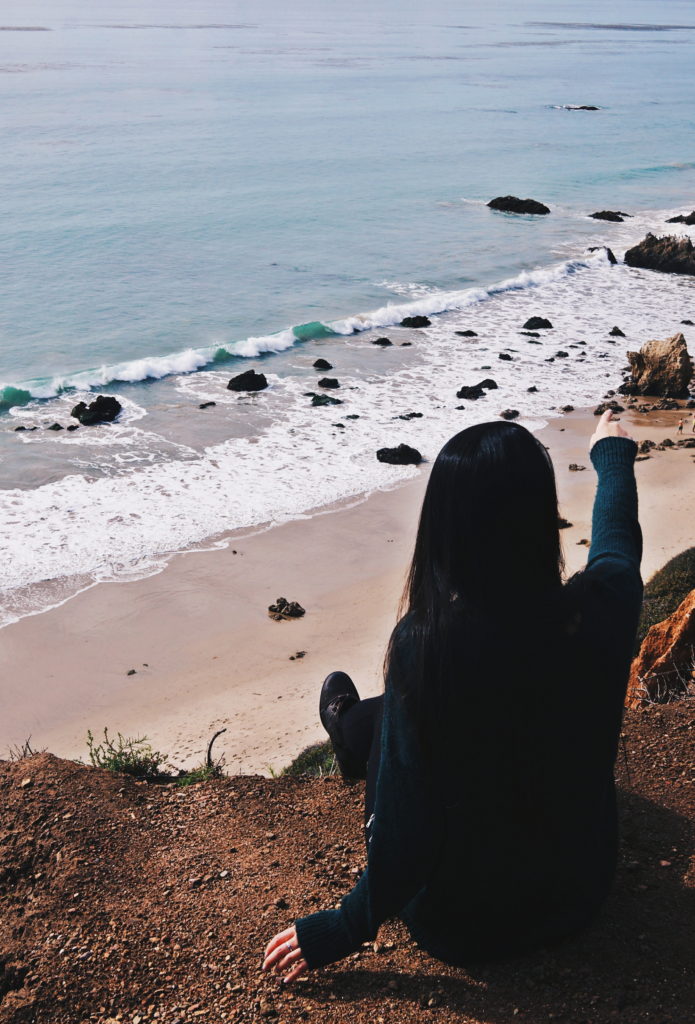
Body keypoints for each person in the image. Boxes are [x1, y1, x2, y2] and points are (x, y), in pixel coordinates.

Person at [263, 410, 642, 983]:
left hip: (462, 924)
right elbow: (617, 549)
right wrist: (612, 458)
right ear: (542, 517)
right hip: (578, 896)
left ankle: (343, 728)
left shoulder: (427, 647)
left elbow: (403, 828)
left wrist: (345, 926)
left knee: (392, 724)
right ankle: (350, 727)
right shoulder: (601, 606)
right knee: (408, 716)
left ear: (445, 525)